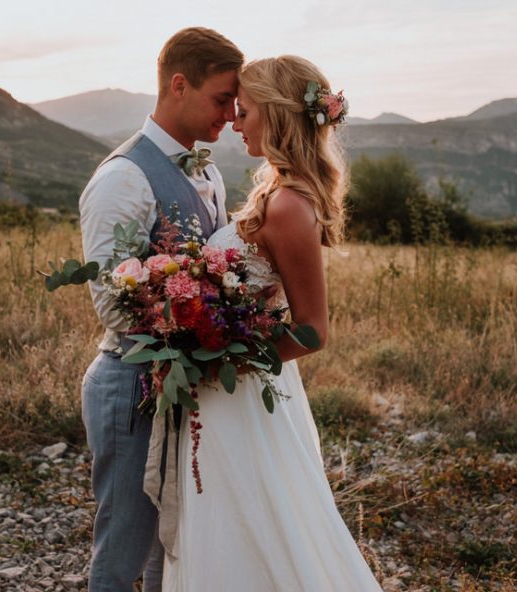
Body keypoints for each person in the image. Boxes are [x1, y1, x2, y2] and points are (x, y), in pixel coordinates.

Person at [159, 56, 384, 591]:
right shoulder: (276, 192)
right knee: (233, 520)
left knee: (253, 524)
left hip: (240, 391)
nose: (236, 122)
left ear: (279, 117)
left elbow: (312, 330)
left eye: (247, 111)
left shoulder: (288, 205)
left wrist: (220, 362)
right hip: (227, 389)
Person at [78, 27, 243, 592]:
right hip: (129, 383)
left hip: (180, 384)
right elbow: (112, 302)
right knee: (122, 551)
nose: (231, 114)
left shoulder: (210, 170)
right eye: (223, 98)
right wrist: (196, 313)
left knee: (170, 548)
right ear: (179, 84)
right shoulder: (122, 177)